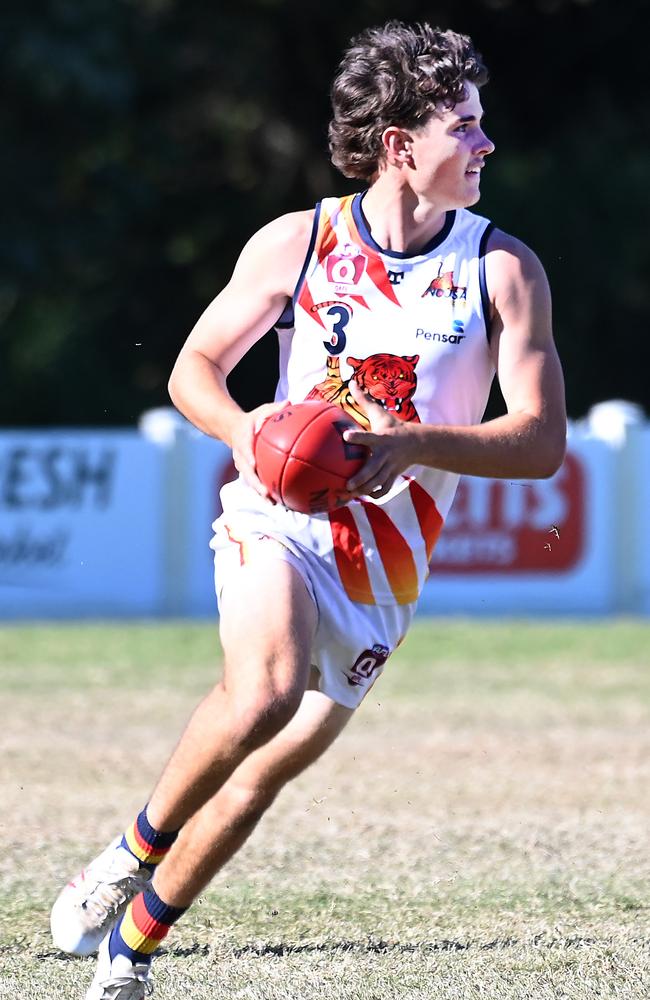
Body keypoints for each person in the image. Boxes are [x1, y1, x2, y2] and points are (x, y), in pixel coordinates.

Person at [50, 19, 566, 999]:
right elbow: (192, 369)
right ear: (398, 145)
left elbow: (540, 442)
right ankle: (125, 853)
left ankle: (131, 951)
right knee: (264, 690)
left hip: (384, 573)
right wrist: (248, 434)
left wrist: (414, 443)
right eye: (465, 126)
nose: (486, 143)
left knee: (263, 768)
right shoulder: (300, 243)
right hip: (276, 518)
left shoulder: (502, 269)